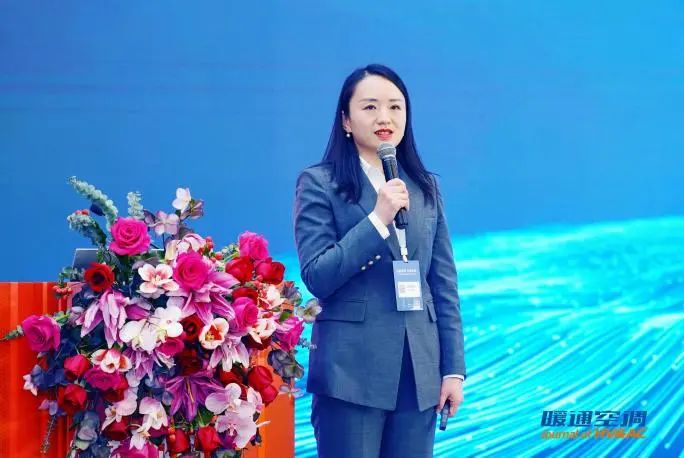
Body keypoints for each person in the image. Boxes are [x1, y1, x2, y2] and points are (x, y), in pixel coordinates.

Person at [293, 64, 466, 458]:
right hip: (350, 371)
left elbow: (443, 284)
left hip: (419, 370)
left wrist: (453, 369)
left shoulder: (425, 186)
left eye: (395, 107)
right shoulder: (319, 183)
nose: (384, 118)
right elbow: (318, 275)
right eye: (370, 107)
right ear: (346, 120)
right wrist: (377, 219)